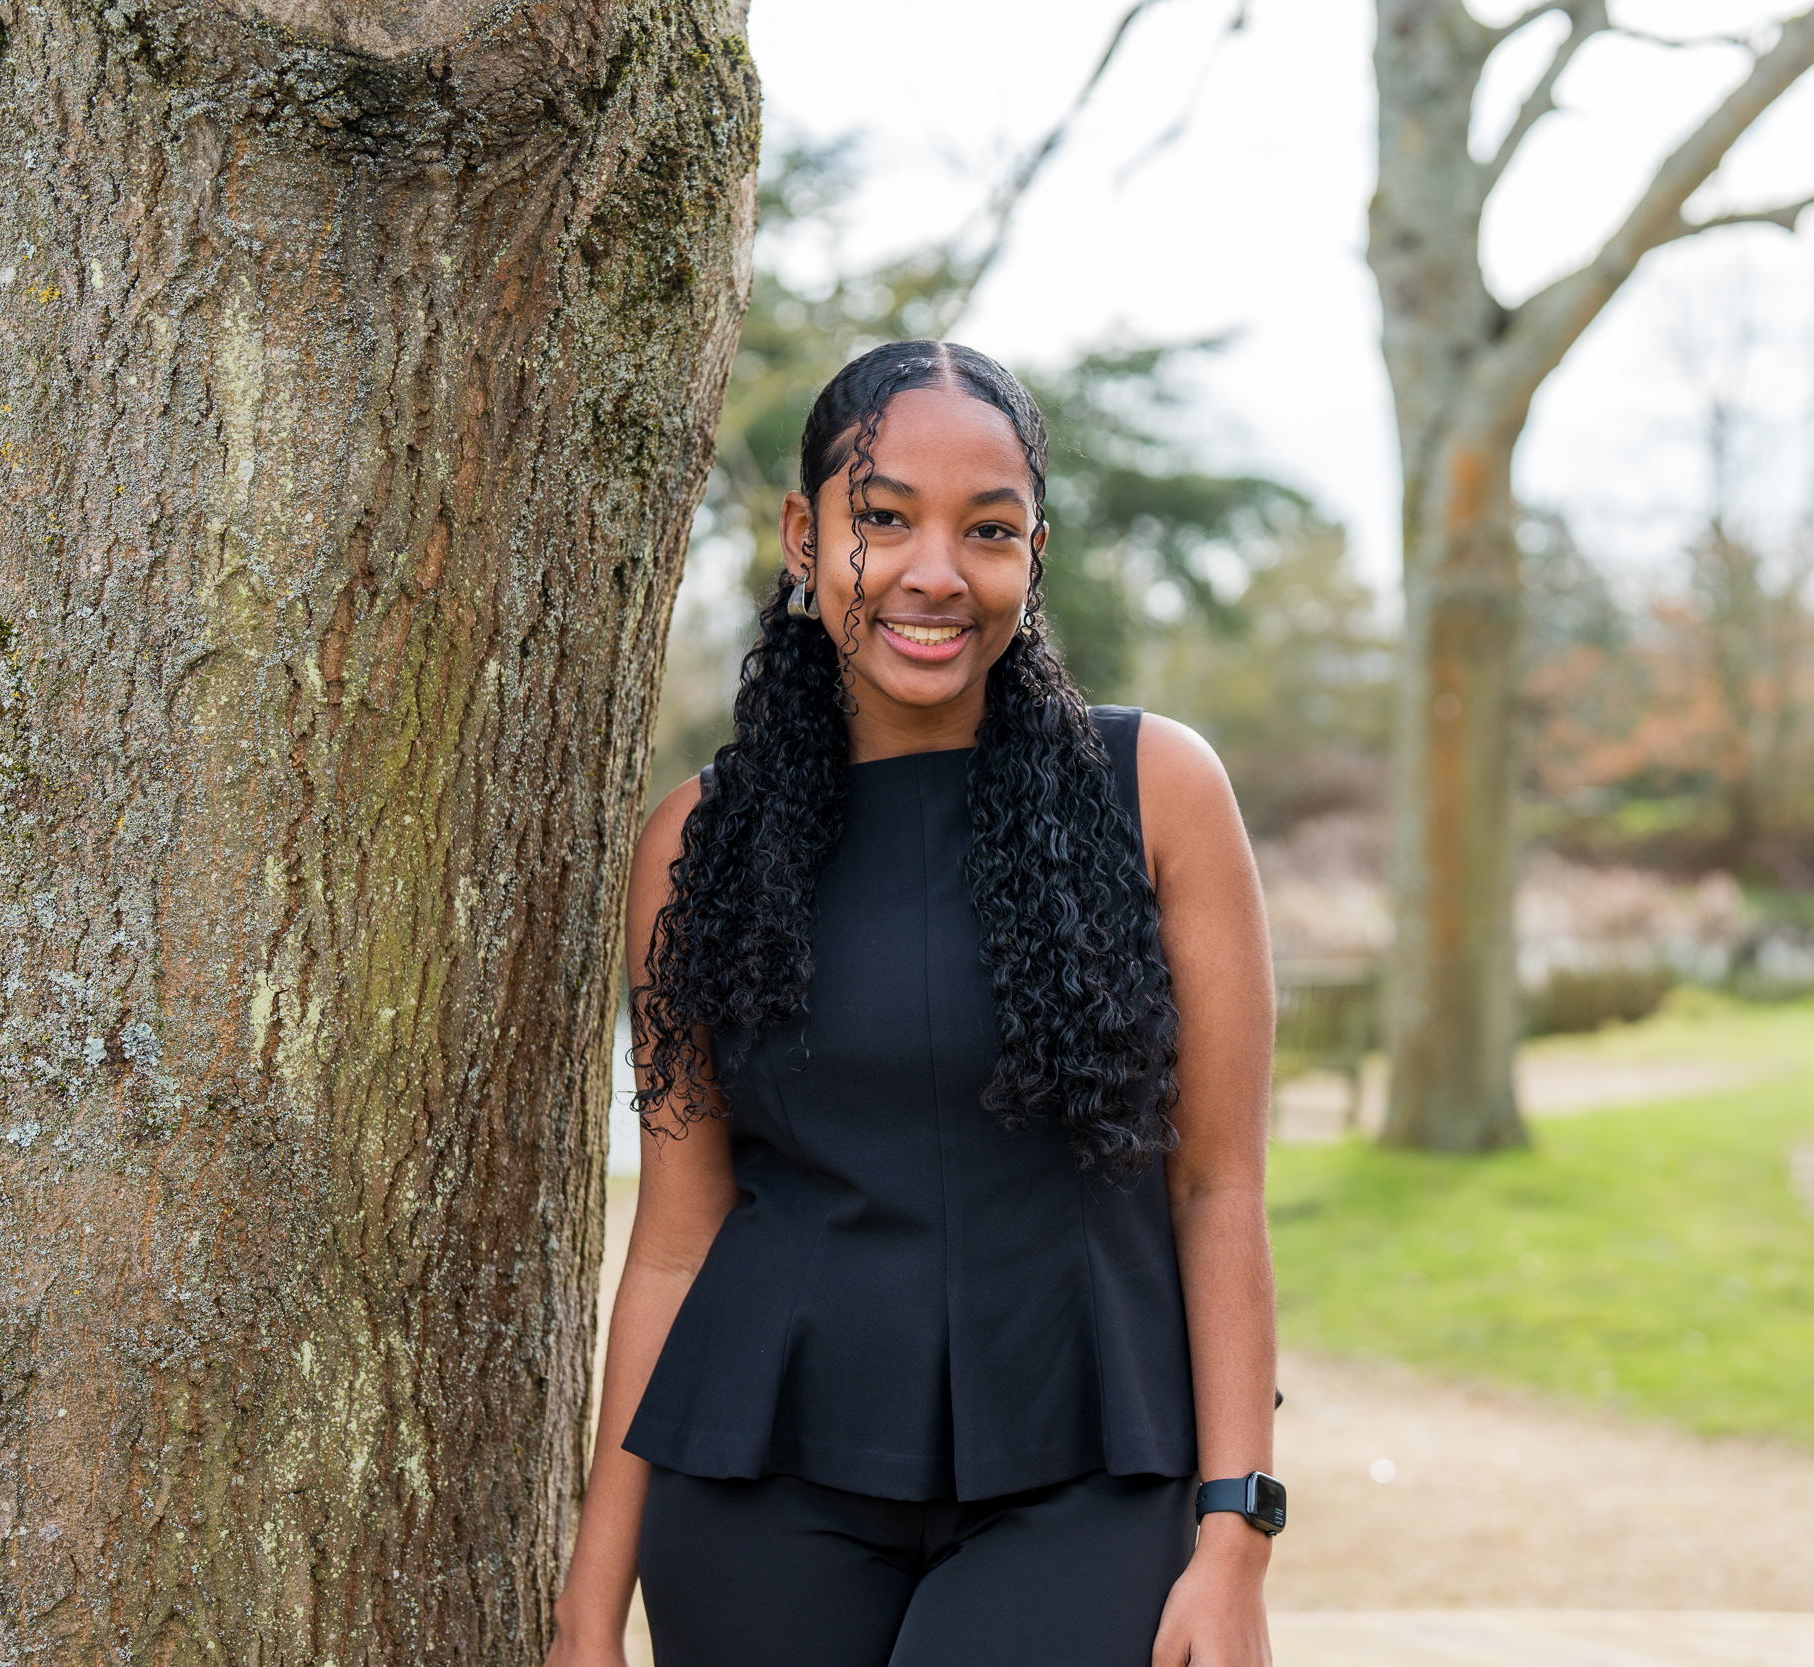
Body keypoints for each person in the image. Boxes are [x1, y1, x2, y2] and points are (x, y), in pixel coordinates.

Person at [545, 340, 1281, 1667]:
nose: (935, 572)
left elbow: (1218, 1188)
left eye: (987, 531)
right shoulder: (696, 844)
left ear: (1033, 556)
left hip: (1091, 1473)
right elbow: (675, 1240)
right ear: (803, 537)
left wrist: (1235, 1534)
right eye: (883, 519)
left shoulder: (1159, 792)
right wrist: (587, 1615)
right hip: (758, 1485)